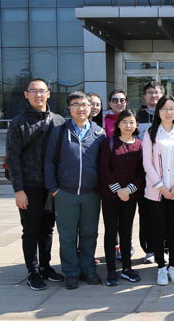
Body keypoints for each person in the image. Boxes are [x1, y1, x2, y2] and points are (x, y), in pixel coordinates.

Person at [6, 78, 65, 290]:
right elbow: (13, 159)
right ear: (26, 94)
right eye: (33, 91)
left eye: (42, 91)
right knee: (31, 229)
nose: (38, 95)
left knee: (47, 229)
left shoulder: (59, 121)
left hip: (52, 186)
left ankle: (45, 266)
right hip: (29, 186)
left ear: (48, 94)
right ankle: (32, 271)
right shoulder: (18, 123)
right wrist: (18, 190)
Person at [44, 91, 106, 290]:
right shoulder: (59, 132)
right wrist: (54, 189)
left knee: (89, 233)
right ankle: (71, 272)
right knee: (67, 235)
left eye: (85, 104)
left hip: (91, 194)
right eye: (76, 104)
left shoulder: (99, 133)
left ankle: (88, 269)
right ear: (69, 108)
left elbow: (104, 164)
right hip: (65, 193)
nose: (81, 108)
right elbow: (49, 161)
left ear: (91, 108)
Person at [143, 96, 174, 286]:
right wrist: (161, 187)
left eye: (172, 108)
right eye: (164, 108)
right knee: (157, 229)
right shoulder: (150, 133)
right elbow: (147, 163)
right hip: (155, 191)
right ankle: (161, 268)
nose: (168, 112)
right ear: (158, 111)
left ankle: (173, 266)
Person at [98, 109, 145, 286]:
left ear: (136, 125)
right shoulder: (109, 142)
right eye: (124, 122)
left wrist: (129, 190)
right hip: (110, 196)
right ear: (118, 124)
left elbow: (142, 172)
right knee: (111, 232)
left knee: (126, 232)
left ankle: (126, 267)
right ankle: (111, 269)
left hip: (130, 197)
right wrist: (119, 190)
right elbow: (104, 169)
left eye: (131, 122)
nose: (128, 125)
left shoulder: (139, 145)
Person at [136, 81, 165, 264]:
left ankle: (165, 248)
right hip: (143, 172)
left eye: (157, 92)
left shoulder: (169, 115)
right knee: (146, 212)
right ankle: (149, 249)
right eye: (150, 92)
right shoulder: (137, 116)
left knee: (165, 214)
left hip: (166, 172)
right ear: (144, 96)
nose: (154, 95)